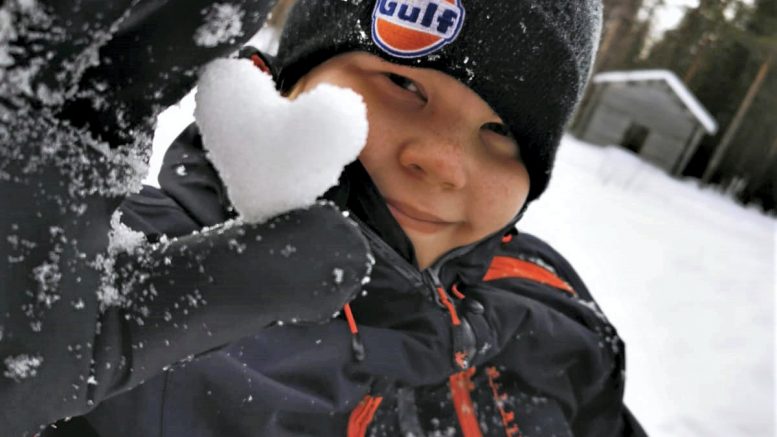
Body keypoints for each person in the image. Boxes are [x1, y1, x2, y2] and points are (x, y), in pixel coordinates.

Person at [6, 0, 646, 436]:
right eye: (404, 85)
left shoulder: (546, 308)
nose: (446, 162)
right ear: (288, 80)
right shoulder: (110, 280)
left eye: (501, 130)